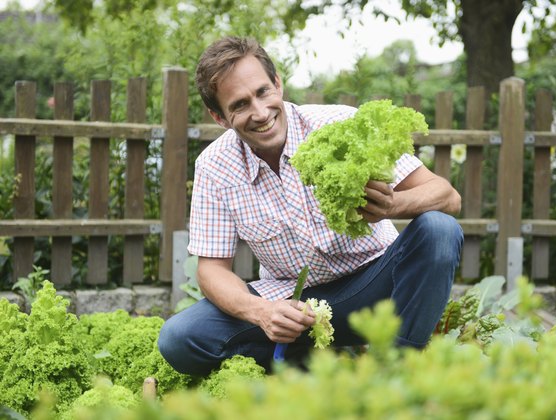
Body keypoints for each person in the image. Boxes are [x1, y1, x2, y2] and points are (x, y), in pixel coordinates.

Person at [158, 36, 463, 375]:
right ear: (220, 117)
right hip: (294, 306)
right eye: (240, 105)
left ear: (278, 83)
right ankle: (308, 363)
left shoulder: (338, 124)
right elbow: (211, 269)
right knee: (179, 338)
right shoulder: (215, 167)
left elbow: (447, 197)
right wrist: (261, 312)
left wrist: (392, 204)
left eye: (262, 92)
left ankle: (395, 373)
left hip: (376, 290)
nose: (260, 113)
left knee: (438, 229)